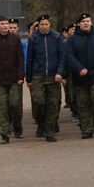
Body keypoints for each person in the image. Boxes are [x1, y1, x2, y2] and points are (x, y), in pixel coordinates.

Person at [65, 13, 94, 138]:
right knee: (83, 104)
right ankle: (86, 129)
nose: (86, 23)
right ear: (78, 24)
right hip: (80, 77)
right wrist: (79, 68)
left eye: (88, 21)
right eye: (83, 21)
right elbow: (69, 56)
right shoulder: (72, 40)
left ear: (91, 23)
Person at [0, 15, 25, 144]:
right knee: (2, 107)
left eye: (6, 24)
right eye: (2, 24)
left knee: (14, 104)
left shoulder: (15, 38)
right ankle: (4, 133)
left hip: (14, 79)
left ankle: (17, 127)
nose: (5, 26)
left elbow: (20, 59)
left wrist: (21, 76)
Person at [26, 14, 66, 142]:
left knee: (53, 104)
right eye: (42, 24)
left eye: (46, 24)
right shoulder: (34, 38)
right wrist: (28, 79)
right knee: (38, 102)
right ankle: (41, 123)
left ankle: (49, 131)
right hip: (38, 75)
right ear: (38, 26)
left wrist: (60, 72)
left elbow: (62, 57)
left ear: (50, 24)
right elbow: (30, 59)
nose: (44, 26)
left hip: (53, 76)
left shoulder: (56, 37)